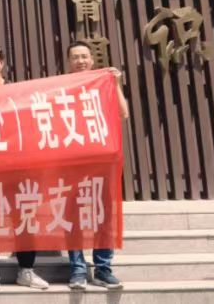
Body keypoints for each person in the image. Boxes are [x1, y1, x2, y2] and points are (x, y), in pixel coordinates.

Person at [0, 42, 49, 291]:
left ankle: (26, 269)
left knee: (24, 215)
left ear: (2, 63)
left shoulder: (19, 93)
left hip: (19, 167)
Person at [66, 39, 127, 290]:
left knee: (103, 214)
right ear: (69, 62)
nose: (80, 61)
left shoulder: (103, 83)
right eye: (75, 57)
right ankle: (78, 270)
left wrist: (116, 84)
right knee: (73, 215)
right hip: (72, 162)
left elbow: (123, 113)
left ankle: (103, 268)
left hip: (101, 161)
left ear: (92, 59)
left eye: (84, 56)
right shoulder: (63, 87)